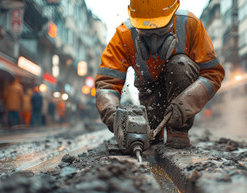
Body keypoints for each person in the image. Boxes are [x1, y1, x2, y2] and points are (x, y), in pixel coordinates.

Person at [95, 0, 225, 148]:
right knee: (150, 139)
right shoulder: (124, 35)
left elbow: (213, 74)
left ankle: (178, 132)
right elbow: (107, 83)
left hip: (182, 95)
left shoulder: (190, 25)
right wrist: (114, 116)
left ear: (172, 16)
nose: (154, 40)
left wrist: (186, 103)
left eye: (161, 31)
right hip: (149, 94)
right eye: (146, 33)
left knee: (180, 64)